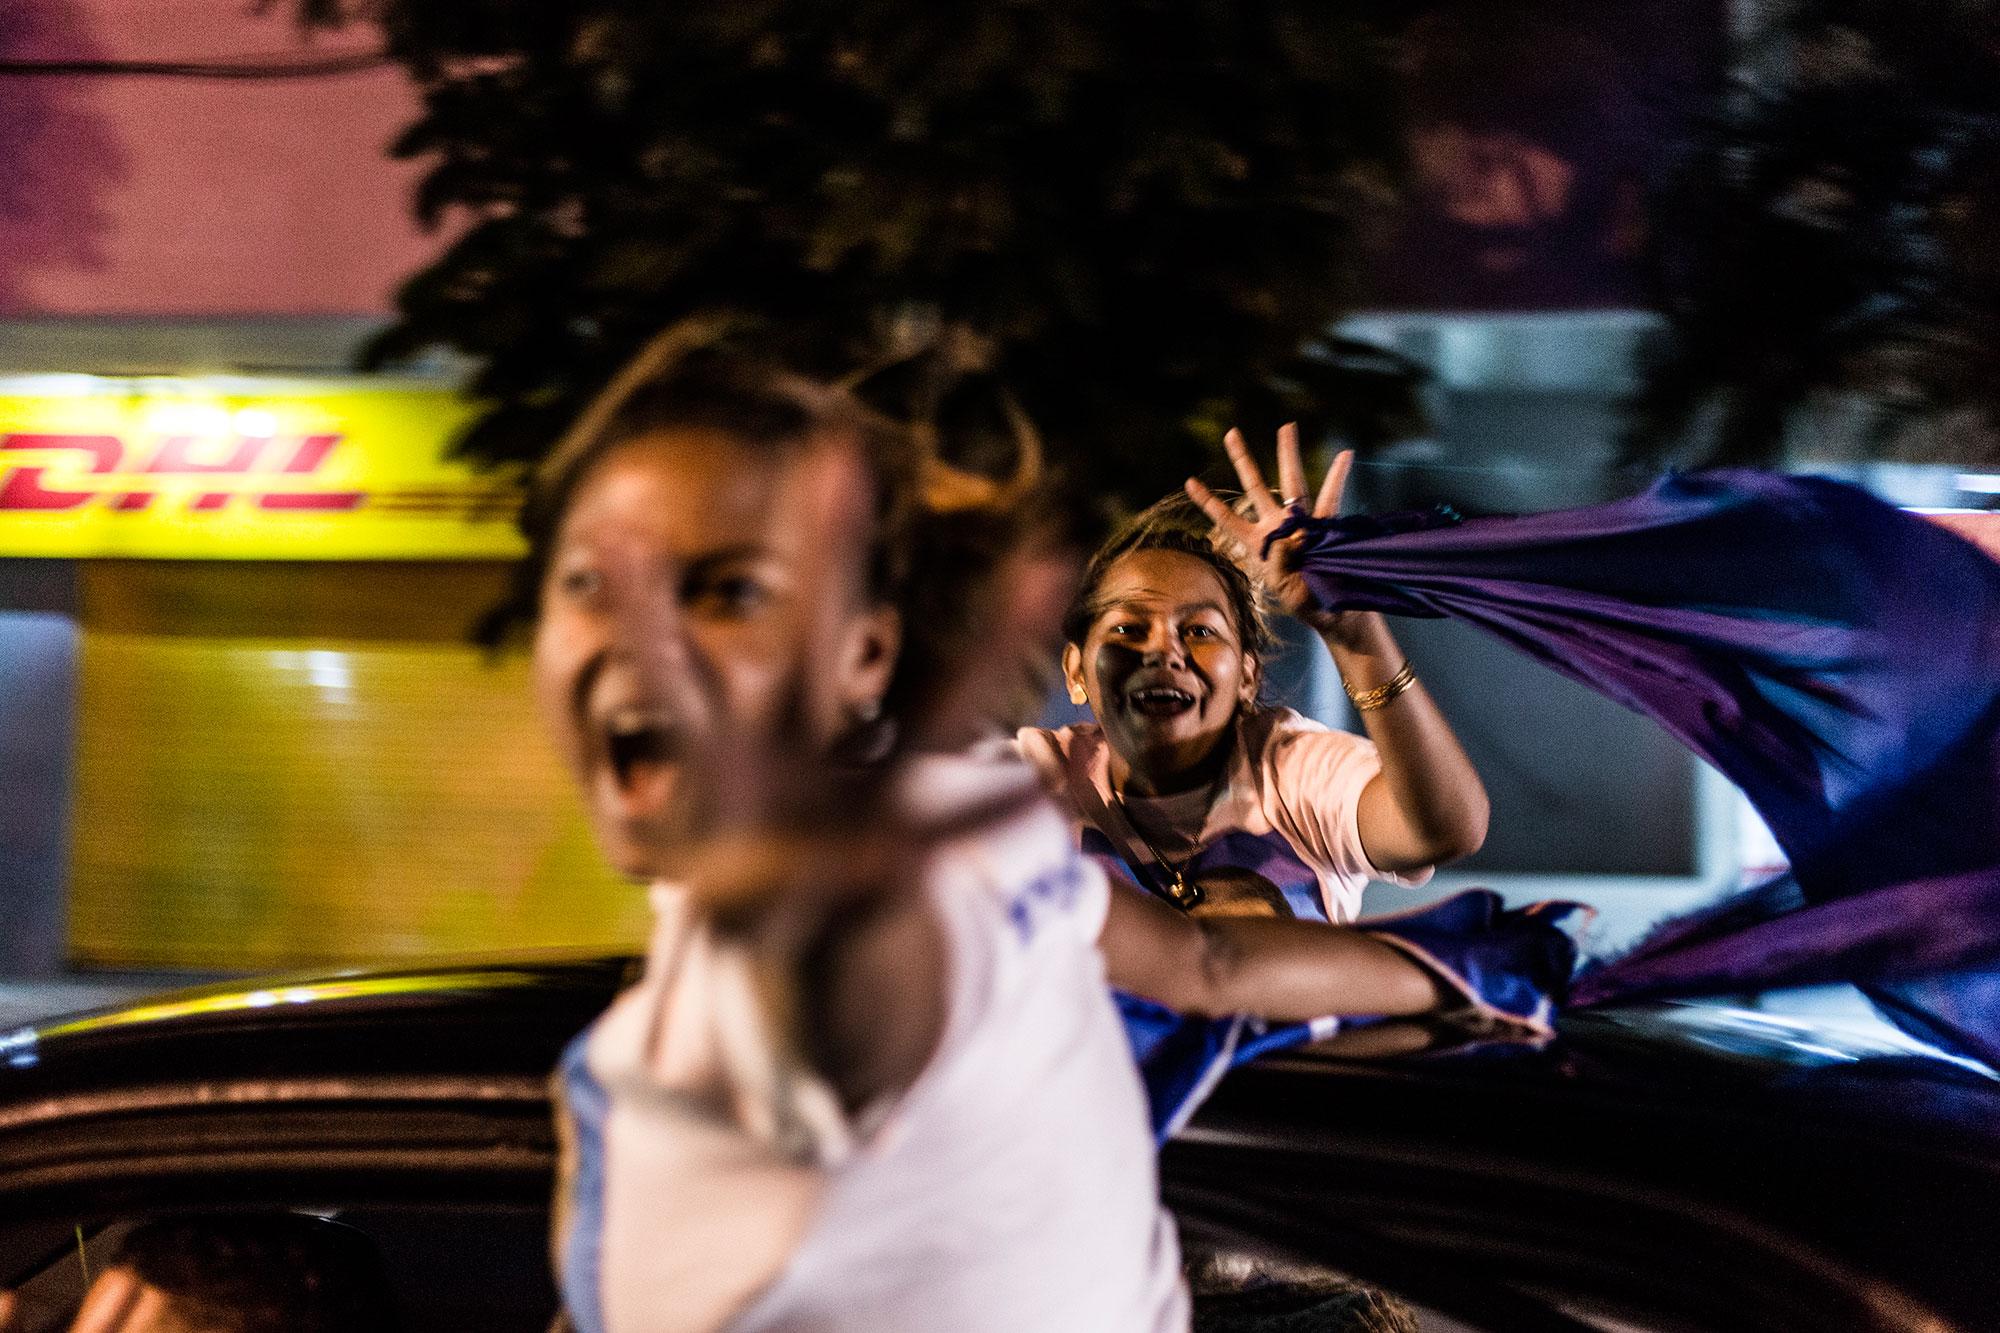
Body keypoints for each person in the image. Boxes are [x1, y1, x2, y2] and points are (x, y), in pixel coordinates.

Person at [520, 328, 1560, 1333]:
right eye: (588, 583)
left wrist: (1490, 969)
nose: (641, 640)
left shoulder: (978, 836)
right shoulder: (617, 1069)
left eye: (728, 591)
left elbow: (1258, 930)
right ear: (1074, 670)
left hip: (1283, 1256)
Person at [1022, 423, 1489, 924]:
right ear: (1075, 671)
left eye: (1200, 631)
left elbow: (1445, 830)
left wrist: (1355, 632)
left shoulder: (1292, 772)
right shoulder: (1038, 777)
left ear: (1246, 677)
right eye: (1128, 629)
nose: (1164, 651)